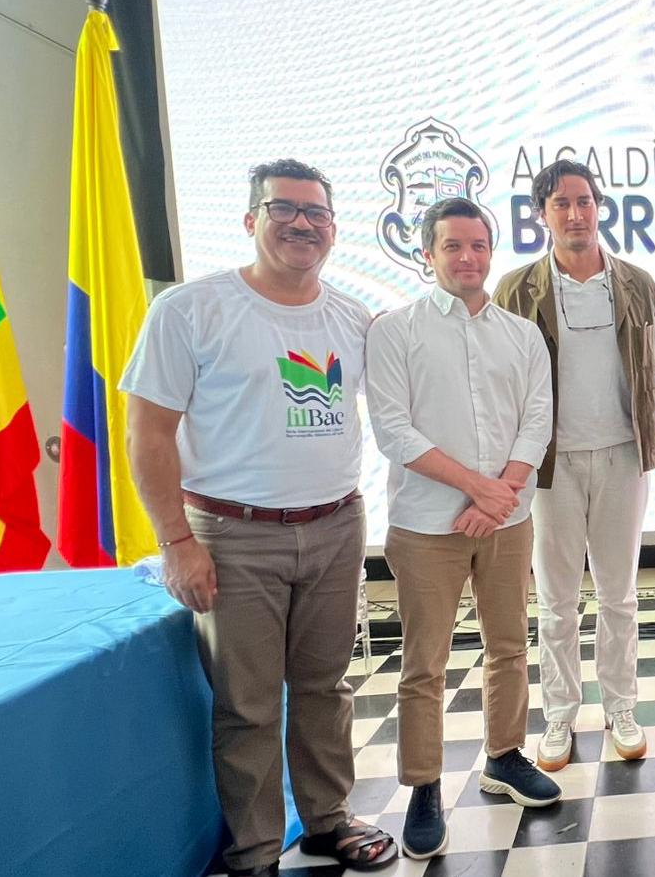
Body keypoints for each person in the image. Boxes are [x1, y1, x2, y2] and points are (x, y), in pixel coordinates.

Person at [122, 159, 396, 875]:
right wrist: (177, 541)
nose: (302, 223)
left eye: (317, 213)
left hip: (337, 526)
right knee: (246, 705)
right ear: (251, 221)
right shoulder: (190, 311)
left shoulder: (349, 317)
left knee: (325, 685)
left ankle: (329, 819)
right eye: (285, 209)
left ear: (333, 230)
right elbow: (147, 434)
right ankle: (254, 852)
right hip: (232, 533)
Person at [365, 197, 561, 858]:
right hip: (427, 523)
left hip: (507, 520)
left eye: (478, 245)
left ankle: (504, 755)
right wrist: (476, 486)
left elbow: (537, 419)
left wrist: (499, 496)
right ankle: (423, 786)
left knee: (509, 644)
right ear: (428, 254)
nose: (468, 257)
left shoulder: (521, 334)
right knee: (425, 663)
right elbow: (394, 429)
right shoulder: (395, 331)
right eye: (453, 246)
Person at [493, 160, 655, 768]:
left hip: (625, 455)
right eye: (561, 203)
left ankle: (622, 706)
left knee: (620, 593)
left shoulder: (637, 283)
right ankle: (560, 717)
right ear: (542, 213)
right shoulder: (517, 288)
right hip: (550, 466)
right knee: (557, 598)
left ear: (599, 208)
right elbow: (497, 375)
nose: (576, 213)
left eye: (585, 201)